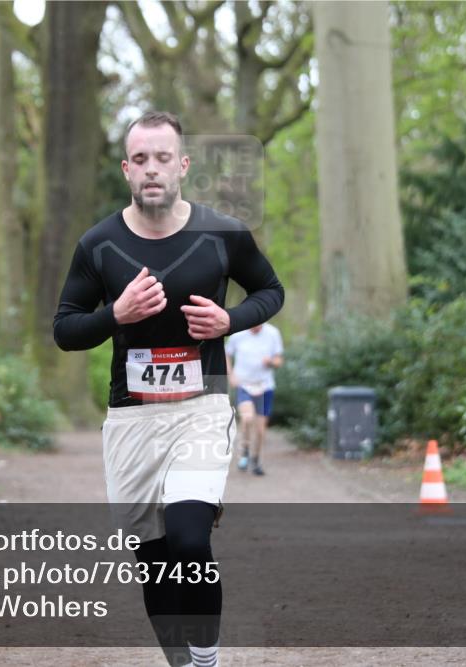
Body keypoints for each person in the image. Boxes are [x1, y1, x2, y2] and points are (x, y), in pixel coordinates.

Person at [53, 111, 283, 667]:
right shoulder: (99, 244)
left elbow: (270, 291)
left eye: (162, 158)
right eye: (140, 160)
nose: (151, 169)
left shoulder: (223, 233)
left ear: (182, 165)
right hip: (132, 418)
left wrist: (230, 320)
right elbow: (65, 330)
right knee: (153, 557)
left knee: (187, 538)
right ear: (126, 170)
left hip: (199, 407)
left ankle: (205, 661)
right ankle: (181, 662)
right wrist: (116, 313)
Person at [225, 322, 284, 476]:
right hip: (244, 385)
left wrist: (271, 362)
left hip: (265, 387)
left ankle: (256, 460)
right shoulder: (237, 333)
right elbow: (227, 354)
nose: (257, 326)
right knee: (246, 419)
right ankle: (244, 452)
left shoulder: (273, 333)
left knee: (260, 429)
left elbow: (279, 360)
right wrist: (231, 375)